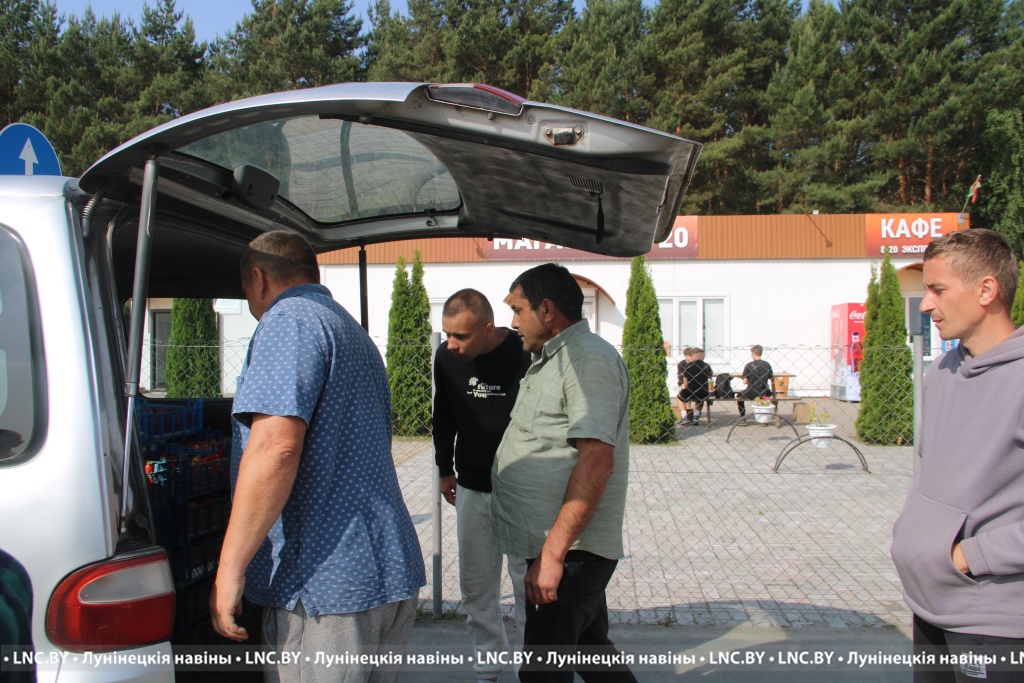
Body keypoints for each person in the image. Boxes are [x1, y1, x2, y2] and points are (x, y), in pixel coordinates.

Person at [210, 231, 425, 683]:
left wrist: (229, 569)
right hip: (383, 569)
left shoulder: (288, 320)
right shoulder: (345, 327)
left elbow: (277, 447)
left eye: (246, 289)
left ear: (258, 278)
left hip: (325, 586)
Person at [491, 263, 637, 683]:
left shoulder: (587, 360)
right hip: (561, 550)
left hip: (571, 554)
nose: (513, 323)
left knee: (543, 672)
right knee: (591, 654)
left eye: (518, 310)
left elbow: (597, 462)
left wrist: (553, 556)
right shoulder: (557, 358)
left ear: (547, 310)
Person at [891, 228, 1024, 682]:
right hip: (930, 603)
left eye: (938, 290)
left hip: (996, 620)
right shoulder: (943, 371)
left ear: (986, 290)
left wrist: (970, 556)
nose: (925, 305)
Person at [433, 288, 530, 683]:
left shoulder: (524, 353)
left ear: (488, 329)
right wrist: (444, 468)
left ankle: (529, 669)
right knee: (476, 584)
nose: (451, 344)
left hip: (522, 486)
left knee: (526, 585)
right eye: (447, 334)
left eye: (461, 336)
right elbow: (443, 414)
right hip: (473, 485)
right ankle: (488, 665)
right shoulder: (445, 358)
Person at [735, 344, 773, 421]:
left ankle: (743, 418)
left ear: (753, 353)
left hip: (751, 392)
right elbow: (770, 377)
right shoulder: (767, 364)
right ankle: (764, 420)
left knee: (739, 396)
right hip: (763, 392)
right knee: (767, 397)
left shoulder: (749, 365)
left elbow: (745, 382)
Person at [678, 347, 713, 425]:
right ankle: (696, 417)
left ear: (694, 356)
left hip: (690, 392)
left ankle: (684, 417)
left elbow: (685, 383)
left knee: (679, 397)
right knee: (700, 399)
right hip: (703, 392)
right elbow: (710, 375)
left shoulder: (688, 366)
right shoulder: (706, 365)